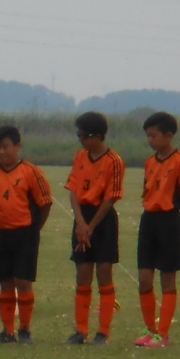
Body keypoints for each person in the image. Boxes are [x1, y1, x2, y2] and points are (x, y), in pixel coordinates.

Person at [0, 125, 53, 344]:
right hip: (1, 233)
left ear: (17, 146)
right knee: (5, 282)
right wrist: (0, 218)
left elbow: (45, 203)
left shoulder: (30, 172)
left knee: (23, 281)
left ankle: (25, 328)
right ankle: (7, 330)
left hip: (25, 233)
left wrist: (35, 227)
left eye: (5, 147)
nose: (1, 152)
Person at [134, 112, 180, 348]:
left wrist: (168, 203)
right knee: (144, 278)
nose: (150, 140)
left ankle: (163, 334)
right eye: (148, 136)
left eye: (154, 135)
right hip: (148, 220)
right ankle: (149, 329)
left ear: (168, 135)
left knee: (167, 278)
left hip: (169, 221)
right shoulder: (149, 162)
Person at [64, 111, 125, 345]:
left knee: (104, 272)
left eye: (82, 135)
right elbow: (73, 190)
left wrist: (91, 226)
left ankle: (103, 332)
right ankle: (81, 331)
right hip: (82, 217)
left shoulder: (113, 161)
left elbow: (111, 198)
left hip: (103, 219)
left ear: (96, 136)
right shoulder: (80, 157)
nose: (80, 139)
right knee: (82, 273)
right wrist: (80, 222)